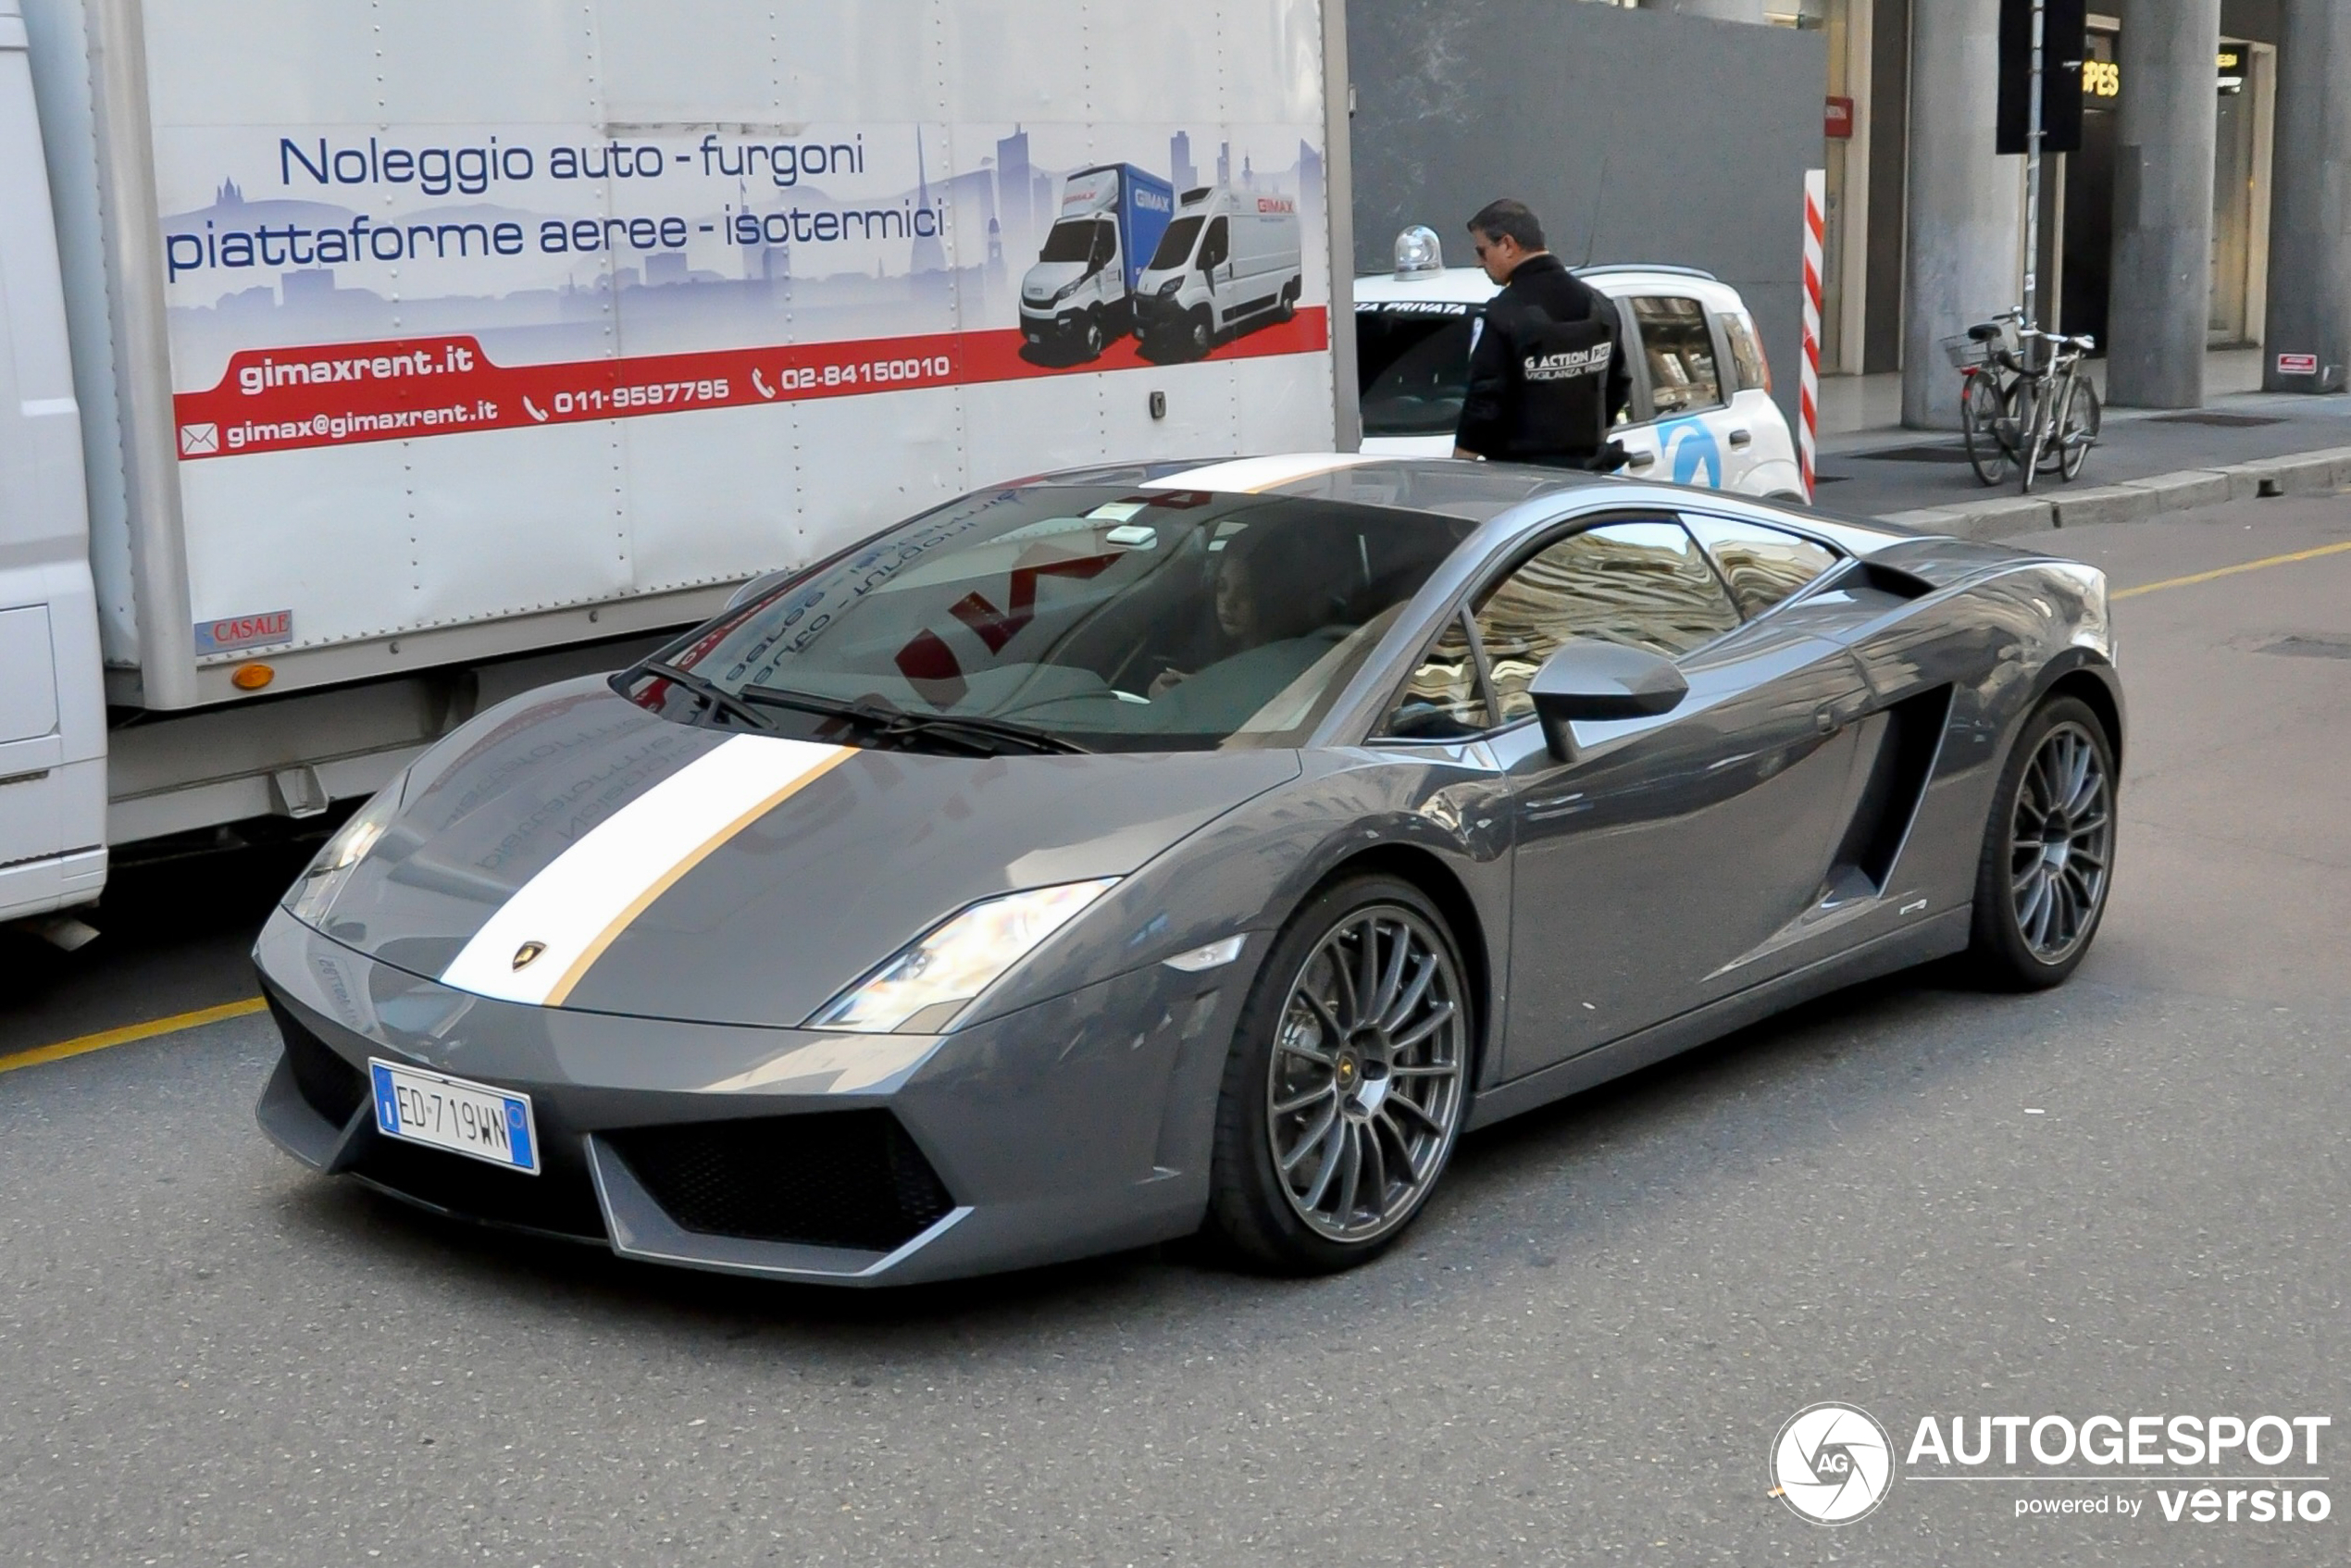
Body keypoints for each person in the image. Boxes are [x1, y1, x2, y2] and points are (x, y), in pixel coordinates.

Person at [1451, 198, 1632, 470]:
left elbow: (1484, 402)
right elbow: (1619, 387)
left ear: (1508, 245)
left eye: (1482, 251)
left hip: (1522, 482)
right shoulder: (1600, 306)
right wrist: (1589, 447)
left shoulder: (1504, 314)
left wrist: (1458, 468)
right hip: (1585, 481)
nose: (1479, 262)